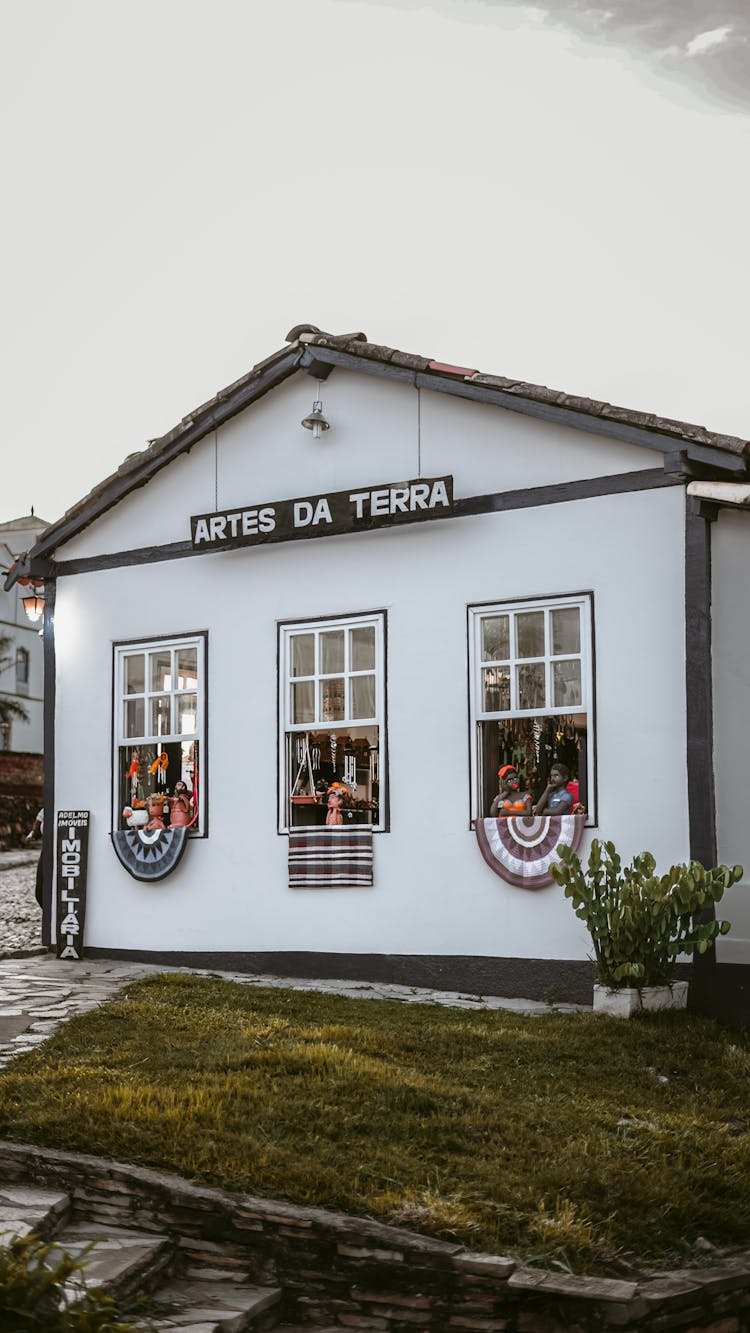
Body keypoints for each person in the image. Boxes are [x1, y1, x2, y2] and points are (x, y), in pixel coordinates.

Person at [26, 808, 44, 908]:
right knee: (41, 892)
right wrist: (32, 835)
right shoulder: (45, 810)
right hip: (48, 851)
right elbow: (36, 831)